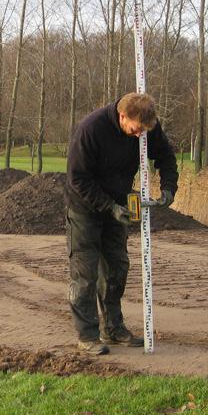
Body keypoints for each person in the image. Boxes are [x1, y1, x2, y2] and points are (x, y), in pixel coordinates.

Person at [65, 92, 178, 355]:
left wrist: (170, 187)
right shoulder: (91, 129)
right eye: (136, 130)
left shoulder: (148, 126)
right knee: (85, 274)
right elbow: (77, 178)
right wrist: (108, 207)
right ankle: (88, 335)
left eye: (145, 132)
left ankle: (113, 329)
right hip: (84, 207)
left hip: (119, 204)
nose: (140, 135)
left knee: (117, 268)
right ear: (122, 116)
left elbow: (166, 157)